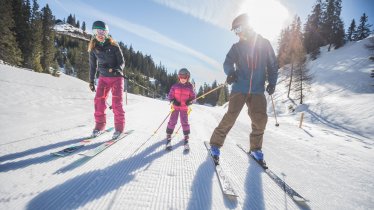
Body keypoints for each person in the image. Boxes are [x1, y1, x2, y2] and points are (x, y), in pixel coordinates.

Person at [209, 14, 278, 164]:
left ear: (247, 26)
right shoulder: (237, 47)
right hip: (239, 87)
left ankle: (256, 149)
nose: (237, 32)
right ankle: (215, 145)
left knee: (260, 120)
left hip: (258, 90)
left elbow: (272, 64)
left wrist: (272, 82)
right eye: (235, 30)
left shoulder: (264, 44)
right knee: (230, 117)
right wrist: (231, 73)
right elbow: (227, 63)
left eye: (239, 28)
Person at [88, 20, 126, 139]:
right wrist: (91, 81)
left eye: (103, 31)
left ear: (107, 33)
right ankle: (99, 126)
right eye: (97, 31)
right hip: (103, 78)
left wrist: (116, 69)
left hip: (116, 78)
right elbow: (92, 66)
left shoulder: (114, 45)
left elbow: (122, 62)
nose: (100, 34)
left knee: (116, 103)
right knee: (99, 101)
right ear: (94, 33)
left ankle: (119, 129)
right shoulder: (93, 48)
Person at [166, 68, 196, 150]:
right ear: (179, 77)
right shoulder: (175, 86)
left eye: (185, 77)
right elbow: (170, 96)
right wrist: (173, 101)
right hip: (175, 107)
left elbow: (193, 97)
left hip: (184, 108)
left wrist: (190, 102)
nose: (183, 79)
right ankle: (168, 135)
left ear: (188, 77)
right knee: (172, 121)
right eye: (181, 77)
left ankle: (186, 137)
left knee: (184, 122)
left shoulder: (190, 87)